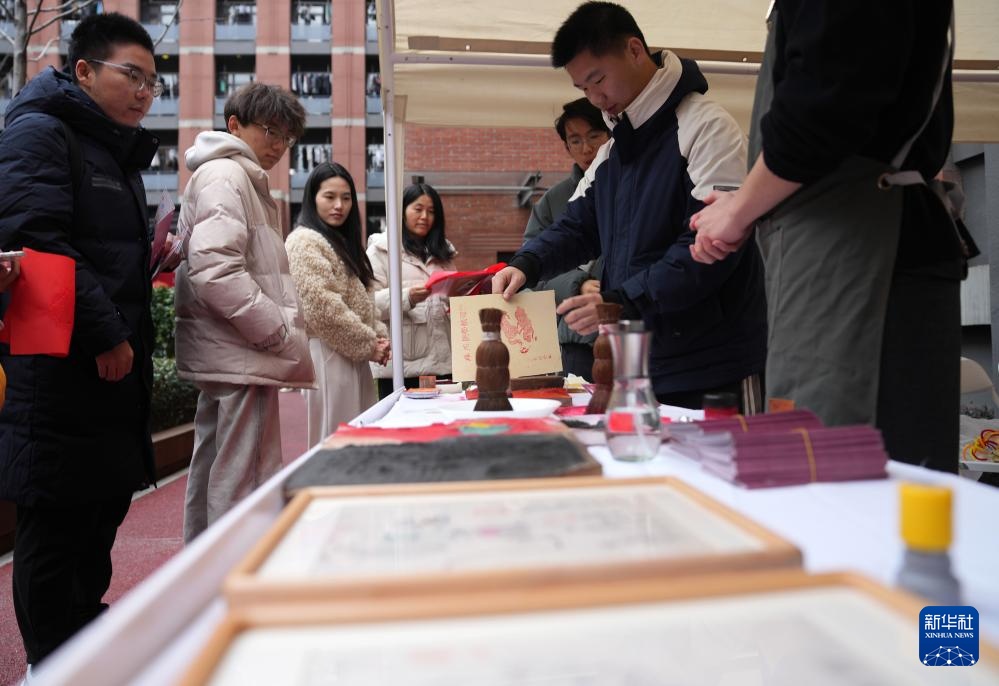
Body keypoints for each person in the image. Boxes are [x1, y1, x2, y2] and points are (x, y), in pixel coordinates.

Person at [689, 1, 964, 472]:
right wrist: (748, 205)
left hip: (866, 255)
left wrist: (740, 209)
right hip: (837, 252)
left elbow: (823, 107)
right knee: (811, 457)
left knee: (840, 471)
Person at [492, 1, 766, 411]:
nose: (595, 98)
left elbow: (709, 247)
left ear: (635, 50)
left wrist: (622, 301)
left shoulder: (706, 128)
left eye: (598, 80)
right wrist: (526, 263)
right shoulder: (614, 152)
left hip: (711, 365)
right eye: (583, 89)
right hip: (636, 364)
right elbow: (577, 226)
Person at [0, 13, 160, 670]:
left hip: (106, 368)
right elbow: (36, 239)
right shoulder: (40, 133)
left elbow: (103, 251)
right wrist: (107, 332)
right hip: (60, 367)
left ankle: (84, 645)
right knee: (57, 521)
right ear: (85, 71)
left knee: (99, 511)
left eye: (153, 82)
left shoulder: (110, 148)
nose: (145, 92)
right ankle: (51, 662)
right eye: (132, 75)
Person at [175, 83, 314, 542]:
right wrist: (273, 330)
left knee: (217, 465)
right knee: (244, 474)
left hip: (229, 346)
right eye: (270, 131)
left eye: (286, 137)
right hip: (243, 347)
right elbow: (216, 270)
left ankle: (204, 567)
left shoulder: (228, 175)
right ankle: (234, 568)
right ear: (234, 125)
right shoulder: (229, 176)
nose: (278, 145)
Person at [286, 163, 390, 445]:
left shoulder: (342, 242)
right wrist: (370, 343)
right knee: (335, 440)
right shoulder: (303, 241)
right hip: (327, 353)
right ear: (313, 198)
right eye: (329, 196)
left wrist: (377, 337)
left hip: (354, 352)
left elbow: (365, 300)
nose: (339, 205)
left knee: (359, 437)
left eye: (346, 198)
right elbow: (322, 308)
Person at [523, 98, 610, 377]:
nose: (586, 148)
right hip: (577, 339)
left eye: (594, 136)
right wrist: (578, 284)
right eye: (575, 140)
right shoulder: (552, 201)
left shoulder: (637, 186)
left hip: (632, 332)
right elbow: (534, 273)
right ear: (567, 147)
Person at [367, 183, 456, 398]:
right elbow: (368, 304)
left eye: (431, 211)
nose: (425, 216)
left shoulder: (444, 253)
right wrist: (406, 297)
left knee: (442, 416)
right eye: (418, 209)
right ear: (401, 211)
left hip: (443, 364)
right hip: (401, 367)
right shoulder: (381, 251)